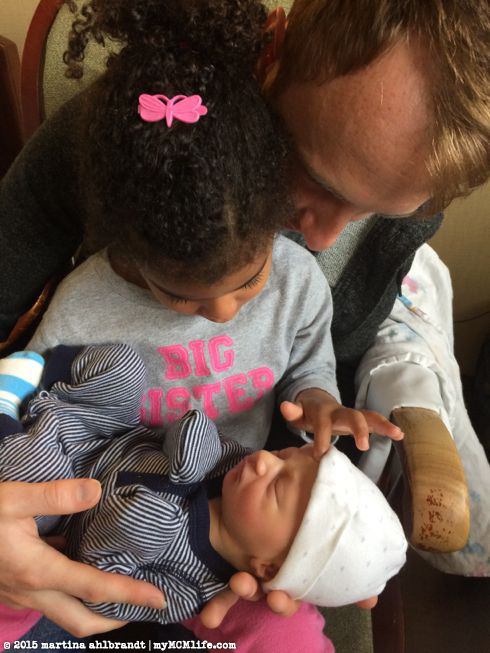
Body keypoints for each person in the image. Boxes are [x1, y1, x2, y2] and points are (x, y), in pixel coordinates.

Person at [0, 0, 488, 640]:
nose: (320, 241)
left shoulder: (366, 223)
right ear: (271, 56)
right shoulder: (141, 133)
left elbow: (320, 358)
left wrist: (323, 540)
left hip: (247, 535)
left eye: (377, 212)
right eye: (315, 177)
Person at [0, 343, 407, 629]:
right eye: (284, 456)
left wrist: (141, 524)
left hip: (61, 509)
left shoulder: (191, 590)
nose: (265, 460)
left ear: (268, 567)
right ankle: (46, 378)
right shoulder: (233, 469)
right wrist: (190, 459)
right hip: (109, 436)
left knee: (31, 472)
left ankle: (7, 409)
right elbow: (191, 426)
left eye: (277, 488)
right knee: (124, 366)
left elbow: (105, 595)